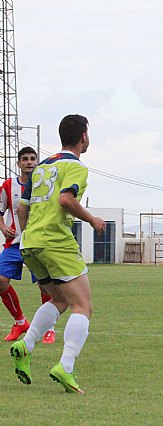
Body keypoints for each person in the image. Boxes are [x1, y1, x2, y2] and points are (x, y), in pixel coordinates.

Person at [10, 114, 106, 394]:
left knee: (59, 300)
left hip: (30, 243)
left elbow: (22, 208)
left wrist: (28, 235)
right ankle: (66, 366)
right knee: (83, 306)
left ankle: (26, 345)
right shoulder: (75, 167)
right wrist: (92, 219)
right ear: (83, 136)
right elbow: (66, 199)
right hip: (55, 241)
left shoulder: (40, 168)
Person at [1, 147, 56, 343]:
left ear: (37, 162)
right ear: (18, 163)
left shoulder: (45, 186)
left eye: (33, 159)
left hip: (38, 242)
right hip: (14, 244)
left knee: (45, 286)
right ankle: (20, 322)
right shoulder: (8, 186)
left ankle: (49, 328)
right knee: (1, 280)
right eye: (25, 159)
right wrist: (2, 226)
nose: (29, 162)